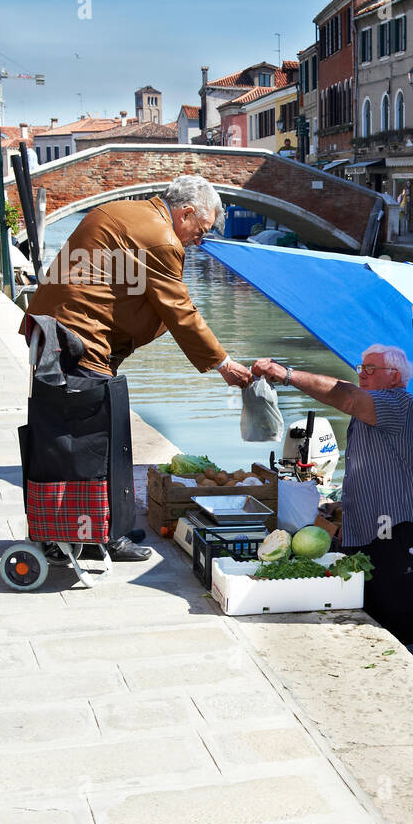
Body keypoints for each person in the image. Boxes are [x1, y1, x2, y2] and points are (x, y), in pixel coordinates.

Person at [24, 174, 253, 561]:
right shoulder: (162, 238)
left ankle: (87, 528)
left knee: (66, 437)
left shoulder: (124, 211)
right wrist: (222, 363)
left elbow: (127, 292)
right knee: (90, 441)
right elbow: (178, 309)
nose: (200, 240)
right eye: (201, 230)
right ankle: (96, 538)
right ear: (185, 213)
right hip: (77, 341)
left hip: (52, 332)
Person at [251, 346, 413, 661]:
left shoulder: (399, 403)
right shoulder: (371, 409)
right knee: (373, 608)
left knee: (404, 615)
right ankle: (384, 665)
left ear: (394, 377)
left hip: (402, 529)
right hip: (368, 530)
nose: (361, 373)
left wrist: (287, 375)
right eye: (361, 367)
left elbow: (347, 397)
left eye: (371, 368)